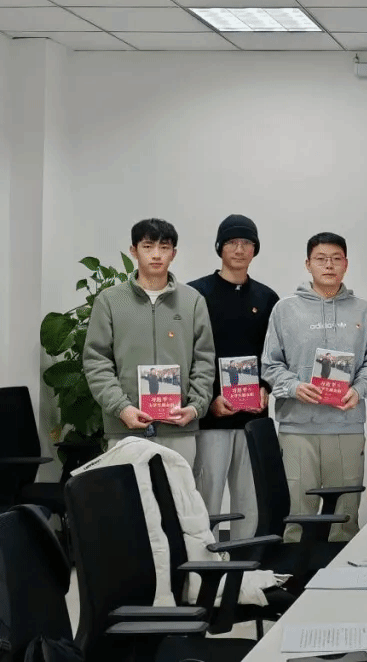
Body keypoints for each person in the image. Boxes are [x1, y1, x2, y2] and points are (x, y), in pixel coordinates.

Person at [261, 232, 367, 542]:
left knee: (345, 516)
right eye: (321, 259)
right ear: (308, 264)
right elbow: (270, 365)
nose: (329, 265)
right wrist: (294, 387)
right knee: (297, 515)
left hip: (346, 425)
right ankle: (296, 570)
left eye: (335, 259)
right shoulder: (285, 310)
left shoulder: (364, 311)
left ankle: (342, 568)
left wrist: (358, 390)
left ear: (346, 264)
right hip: (297, 428)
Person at [83, 218, 214, 466]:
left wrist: (195, 406)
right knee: (130, 492)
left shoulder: (193, 301)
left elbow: (204, 360)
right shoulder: (109, 301)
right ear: (133, 251)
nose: (156, 254)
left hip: (179, 427)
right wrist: (122, 408)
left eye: (164, 247)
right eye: (147, 246)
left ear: (173, 253)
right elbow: (96, 361)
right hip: (125, 428)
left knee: (179, 491)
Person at [189, 214, 279, 540]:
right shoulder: (196, 294)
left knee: (250, 498)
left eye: (246, 243)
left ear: (255, 249)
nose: (239, 249)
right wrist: (209, 400)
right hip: (212, 417)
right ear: (220, 247)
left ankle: (245, 561)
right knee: (207, 495)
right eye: (232, 242)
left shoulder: (267, 299)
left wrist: (266, 388)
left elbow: (273, 354)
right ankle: (205, 561)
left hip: (253, 417)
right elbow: (189, 355)